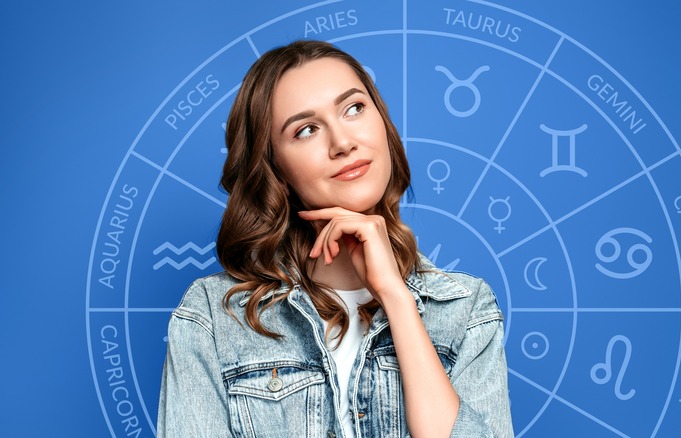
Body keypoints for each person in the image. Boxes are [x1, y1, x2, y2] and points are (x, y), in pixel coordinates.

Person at [157, 40, 513, 438]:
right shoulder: (214, 317)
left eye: (354, 108)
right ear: (276, 170)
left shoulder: (466, 311)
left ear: (383, 123)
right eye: (306, 130)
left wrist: (396, 298)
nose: (343, 143)